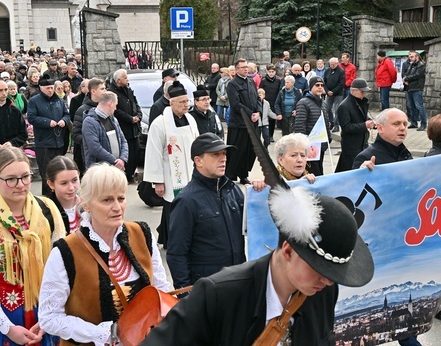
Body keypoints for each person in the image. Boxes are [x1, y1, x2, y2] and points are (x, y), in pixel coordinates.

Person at [143, 185, 374, 345]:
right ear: (288, 251)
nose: (328, 280)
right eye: (321, 269)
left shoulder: (323, 291)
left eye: (333, 274)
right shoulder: (219, 294)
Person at [38, 163, 171, 344]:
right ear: (86, 204)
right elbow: (49, 317)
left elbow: (161, 289)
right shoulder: (65, 251)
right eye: (107, 200)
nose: (117, 207)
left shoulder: (142, 234)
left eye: (121, 198)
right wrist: (104, 333)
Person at [0, 147, 65, 346]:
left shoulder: (47, 210)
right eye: (11, 179)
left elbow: (62, 268)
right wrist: (7, 327)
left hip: (44, 310)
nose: (21, 185)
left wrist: (49, 315)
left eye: (25, 176)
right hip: (0, 316)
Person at [352, 108, 419, 346]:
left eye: (405, 123)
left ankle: (410, 337)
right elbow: (355, 201)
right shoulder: (367, 157)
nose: (403, 128)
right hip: (380, 246)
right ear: (379, 128)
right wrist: (359, 176)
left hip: (405, 240)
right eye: (397, 124)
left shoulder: (405, 153)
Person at [167, 133, 265, 290]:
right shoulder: (186, 201)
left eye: (224, 153)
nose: (223, 158)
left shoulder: (233, 191)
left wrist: (261, 195)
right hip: (208, 289)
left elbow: (257, 228)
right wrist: (186, 296)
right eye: (215, 154)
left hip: (238, 282)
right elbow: (176, 254)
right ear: (198, 161)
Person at [143, 81, 199, 247]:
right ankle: (173, 240)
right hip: (170, 173)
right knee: (173, 206)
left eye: (187, 101)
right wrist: (158, 181)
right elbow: (153, 153)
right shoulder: (160, 123)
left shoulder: (190, 119)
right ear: (171, 102)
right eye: (182, 102)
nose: (186, 105)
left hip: (191, 171)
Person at [27, 78, 70, 194]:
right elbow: (31, 117)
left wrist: (64, 121)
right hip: (44, 142)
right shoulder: (34, 101)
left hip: (59, 140)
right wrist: (47, 122)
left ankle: (59, 196)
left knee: (59, 171)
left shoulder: (59, 100)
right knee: (46, 173)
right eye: (48, 88)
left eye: (52, 88)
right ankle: (47, 198)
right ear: (41, 88)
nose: (50, 90)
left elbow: (67, 114)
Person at [225, 58, 261, 185]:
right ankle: (230, 175)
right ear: (236, 70)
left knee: (249, 151)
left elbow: (257, 99)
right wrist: (250, 113)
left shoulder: (251, 82)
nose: (246, 69)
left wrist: (258, 112)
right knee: (237, 151)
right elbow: (235, 104)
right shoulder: (232, 84)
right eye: (243, 67)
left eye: (247, 67)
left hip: (252, 123)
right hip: (239, 124)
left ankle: (243, 174)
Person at [107, 69, 142, 183]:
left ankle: (132, 174)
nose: (127, 80)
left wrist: (138, 115)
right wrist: (130, 118)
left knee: (136, 153)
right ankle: (125, 176)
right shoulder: (112, 92)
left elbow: (135, 104)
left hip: (134, 129)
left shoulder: (128, 90)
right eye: (125, 78)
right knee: (127, 154)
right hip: (124, 128)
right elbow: (116, 111)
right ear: (118, 80)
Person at [294, 76, 331, 176]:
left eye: (322, 85)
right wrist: (304, 145)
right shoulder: (303, 103)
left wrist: (328, 139)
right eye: (317, 85)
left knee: (319, 172)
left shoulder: (323, 104)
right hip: (310, 146)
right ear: (311, 87)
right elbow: (299, 126)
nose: (320, 87)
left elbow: (326, 122)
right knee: (312, 175)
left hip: (321, 145)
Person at [82, 91, 128, 170]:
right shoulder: (89, 122)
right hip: (99, 171)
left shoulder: (113, 120)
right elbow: (95, 148)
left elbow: (123, 141)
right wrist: (115, 161)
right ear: (110, 103)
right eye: (115, 105)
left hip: (115, 168)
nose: (115, 108)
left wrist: (122, 159)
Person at [335, 78, 374, 173]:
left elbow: (362, 117)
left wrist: (370, 122)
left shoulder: (362, 102)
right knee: (349, 171)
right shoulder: (344, 106)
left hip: (362, 143)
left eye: (365, 92)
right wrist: (364, 125)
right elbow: (346, 127)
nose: (364, 94)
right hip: (351, 147)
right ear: (353, 91)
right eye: (362, 92)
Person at [72, 77, 106, 175]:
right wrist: (91, 141)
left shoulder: (106, 108)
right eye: (102, 89)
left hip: (104, 155)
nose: (105, 91)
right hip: (87, 157)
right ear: (93, 91)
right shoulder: (82, 110)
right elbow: (75, 134)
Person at [46, 155, 81, 235]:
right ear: (51, 184)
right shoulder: (47, 211)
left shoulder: (86, 205)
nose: (71, 188)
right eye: (64, 183)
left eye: (74, 180)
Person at [403, 51, 427, 131]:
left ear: (417, 57)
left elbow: (417, 75)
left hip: (417, 88)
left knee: (419, 106)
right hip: (409, 88)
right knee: (411, 106)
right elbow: (407, 73)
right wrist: (405, 78)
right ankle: (414, 123)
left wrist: (407, 78)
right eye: (409, 57)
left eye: (412, 56)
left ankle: (423, 124)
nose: (410, 58)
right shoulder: (411, 64)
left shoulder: (421, 65)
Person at [260, 64, 282, 143]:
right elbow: (261, 91)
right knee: (266, 119)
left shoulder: (278, 80)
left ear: (275, 72)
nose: (271, 73)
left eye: (273, 72)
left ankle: (271, 135)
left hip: (274, 101)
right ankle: (265, 135)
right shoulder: (263, 80)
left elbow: (280, 91)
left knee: (272, 119)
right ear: (267, 72)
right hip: (266, 102)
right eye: (270, 72)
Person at [323, 57, 345, 133]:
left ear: (337, 63)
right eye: (330, 64)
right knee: (327, 108)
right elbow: (324, 82)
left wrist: (333, 91)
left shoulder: (341, 71)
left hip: (338, 94)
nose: (331, 65)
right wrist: (327, 91)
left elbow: (341, 84)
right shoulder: (327, 71)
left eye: (333, 64)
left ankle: (336, 125)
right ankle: (331, 122)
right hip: (328, 93)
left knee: (337, 110)